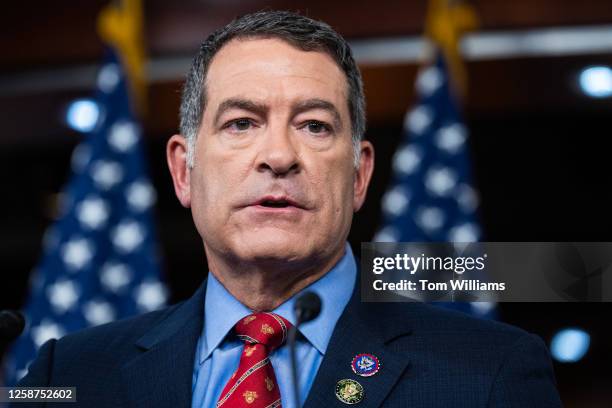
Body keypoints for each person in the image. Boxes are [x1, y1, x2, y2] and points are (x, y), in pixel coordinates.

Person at [16, 10, 562, 408]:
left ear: (359, 175)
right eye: (241, 123)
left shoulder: (491, 374)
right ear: (184, 171)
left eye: (315, 126)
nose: (279, 156)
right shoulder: (70, 374)